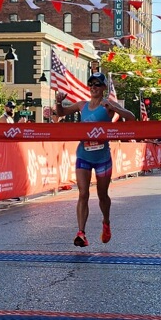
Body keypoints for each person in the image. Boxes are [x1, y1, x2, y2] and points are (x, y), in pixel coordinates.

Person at [55, 72, 134, 246]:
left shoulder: (107, 105)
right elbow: (61, 113)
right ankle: (81, 233)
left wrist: (115, 108)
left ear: (104, 88)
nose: (93, 88)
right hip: (84, 154)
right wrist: (58, 102)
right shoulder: (82, 105)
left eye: (97, 84)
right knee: (83, 193)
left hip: (102, 157)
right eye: (91, 84)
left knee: (102, 195)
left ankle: (106, 222)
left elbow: (131, 118)